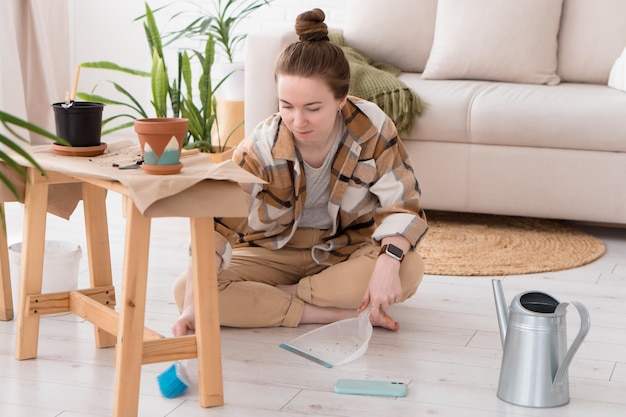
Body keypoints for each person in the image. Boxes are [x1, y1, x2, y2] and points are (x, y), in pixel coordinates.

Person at [172, 8, 428, 335]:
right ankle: (333, 313)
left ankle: (281, 300)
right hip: (273, 253)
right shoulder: (261, 146)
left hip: (343, 252)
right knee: (186, 291)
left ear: (341, 99)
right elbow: (215, 229)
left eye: (313, 108)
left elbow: (403, 204)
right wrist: (195, 304)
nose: (297, 121)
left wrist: (387, 262)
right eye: (286, 106)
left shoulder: (371, 127)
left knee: (409, 267)